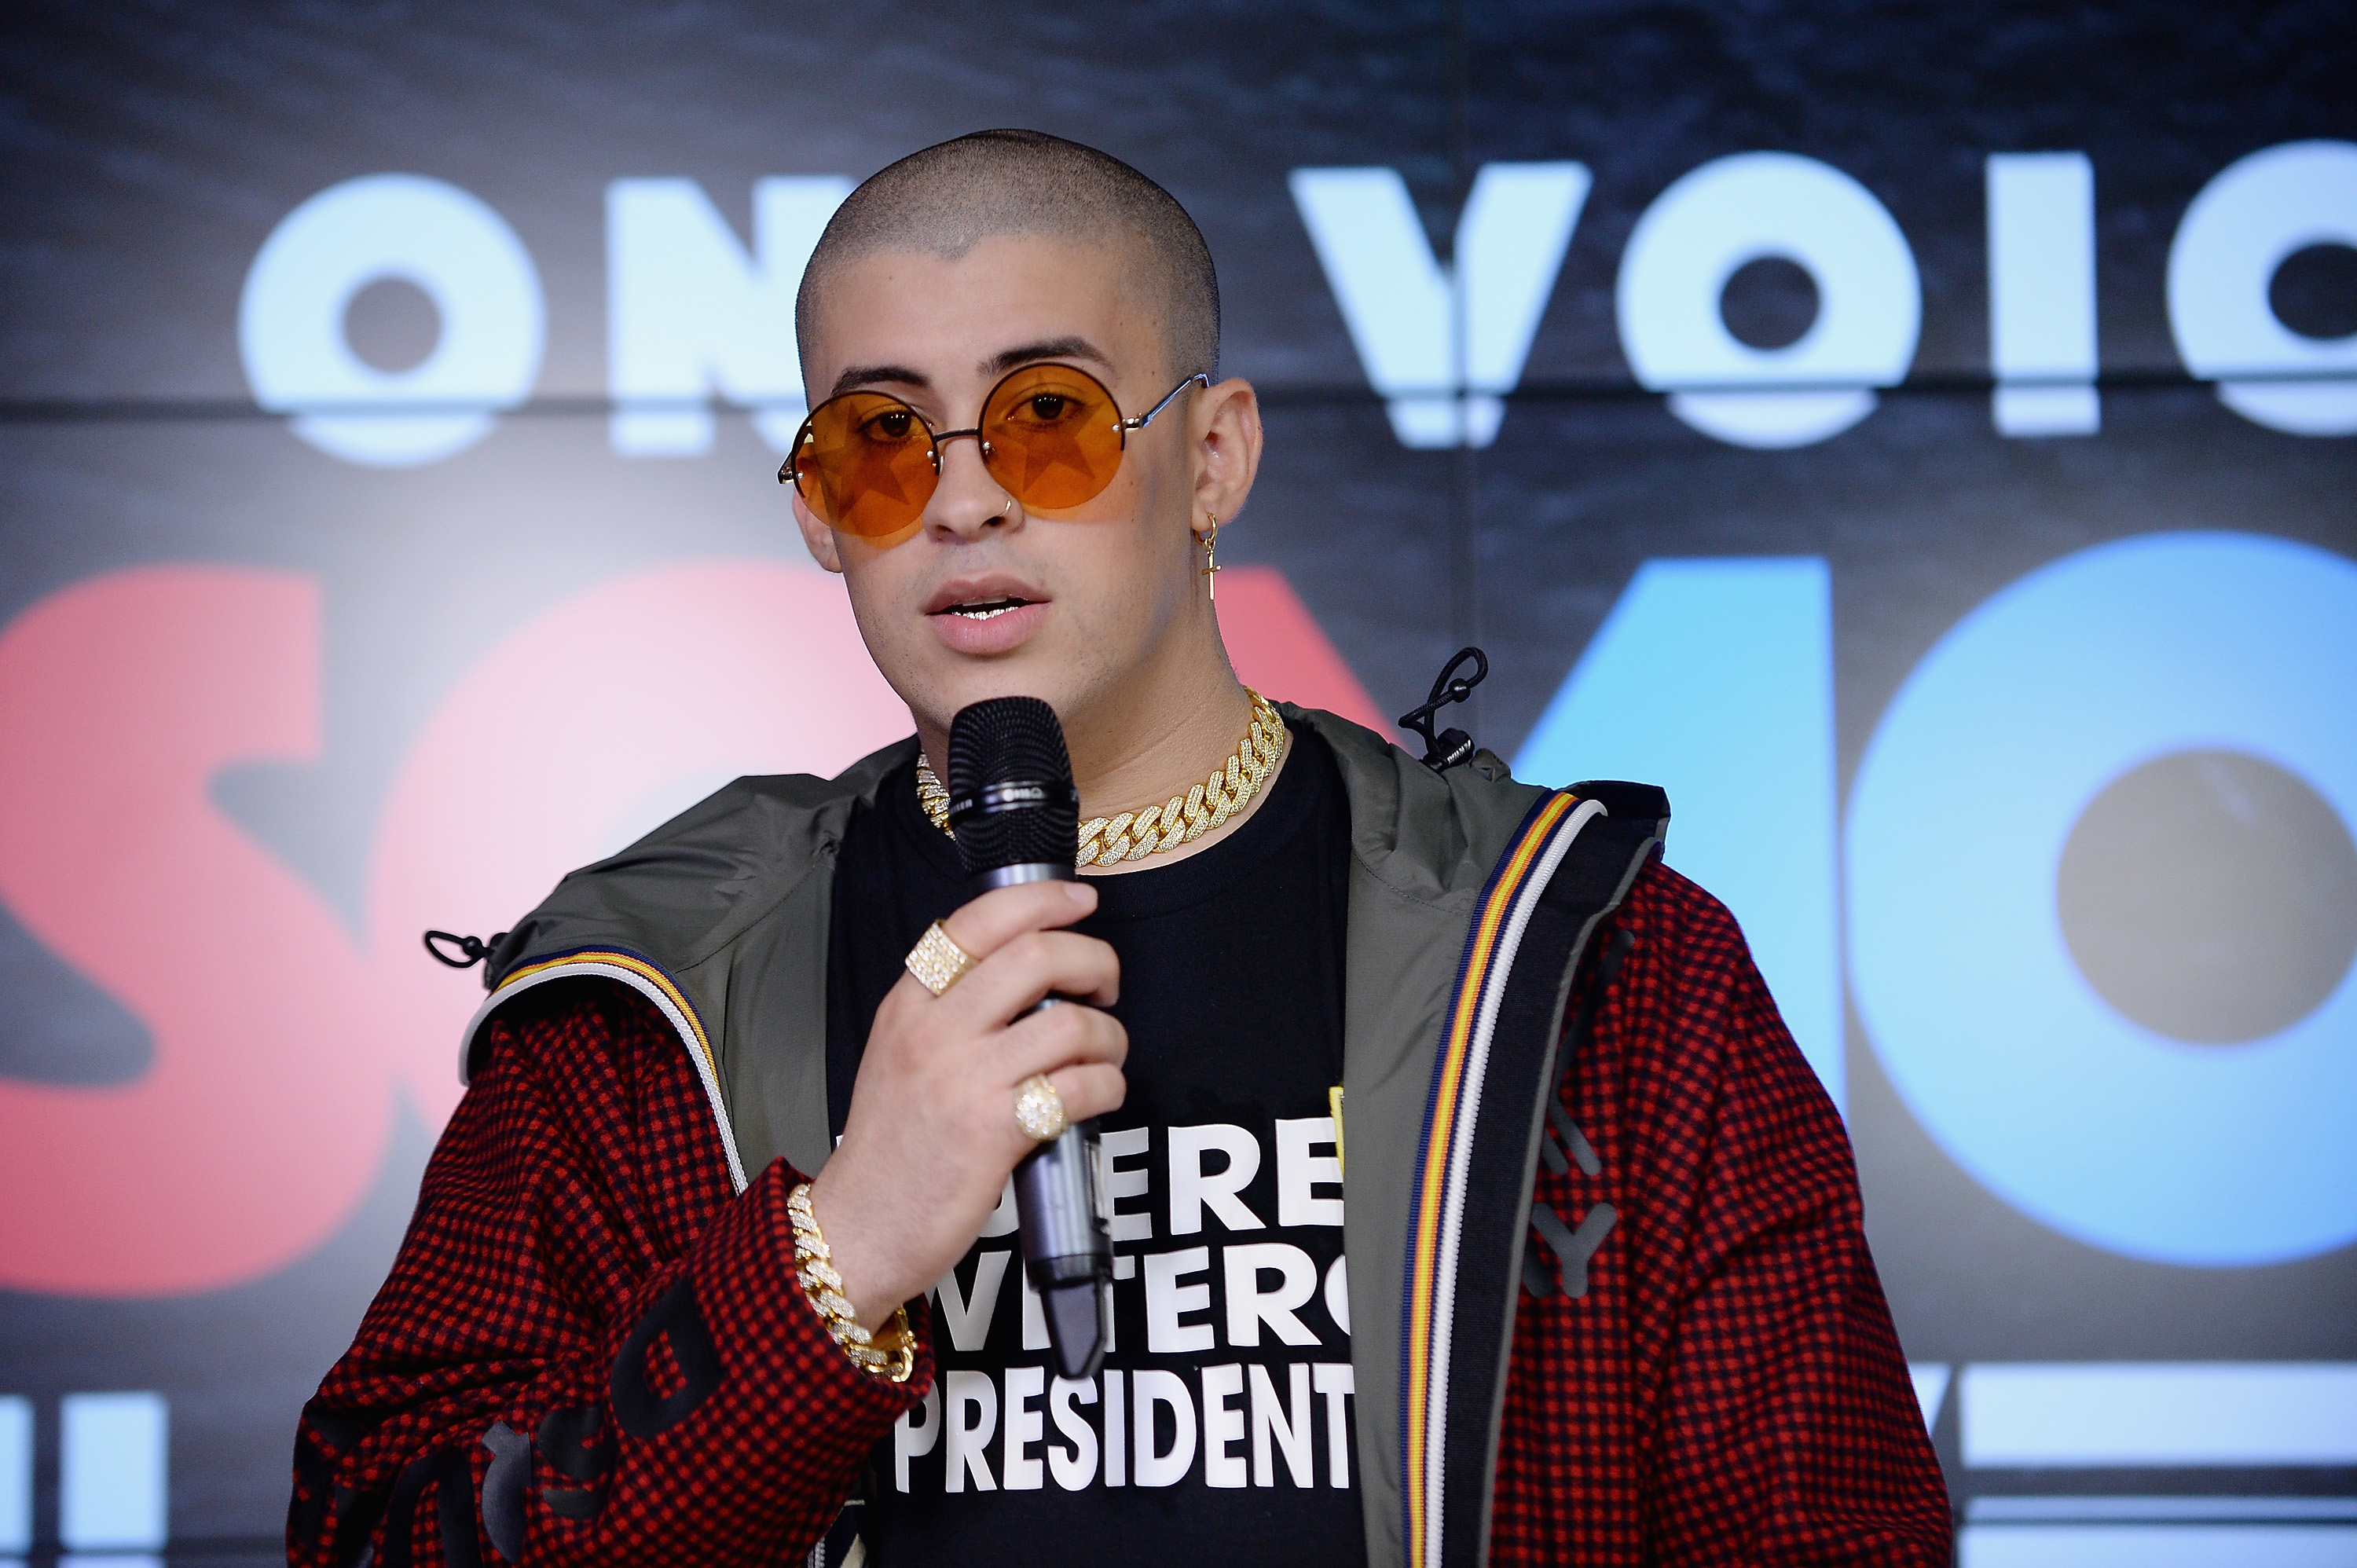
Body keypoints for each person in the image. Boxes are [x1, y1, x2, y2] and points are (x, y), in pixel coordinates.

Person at [288, 130, 1952, 1567]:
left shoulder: (1603, 968)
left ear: (1211, 456)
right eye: (880, 441)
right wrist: (837, 1253)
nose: (962, 505)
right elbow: (376, 1530)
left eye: (1049, 419)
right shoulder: (647, 1016)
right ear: (814, 509)